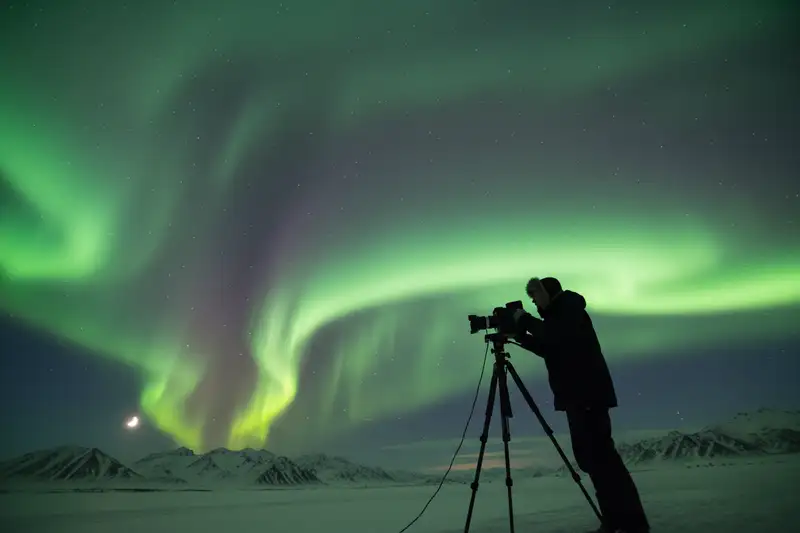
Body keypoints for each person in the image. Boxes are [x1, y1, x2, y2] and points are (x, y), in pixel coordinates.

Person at [510, 277, 650, 533]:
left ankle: (633, 524)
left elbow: (554, 335)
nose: (533, 302)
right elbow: (549, 347)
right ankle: (614, 521)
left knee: (605, 463)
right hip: (578, 398)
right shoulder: (557, 318)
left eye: (535, 296)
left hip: (587, 397)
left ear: (547, 292)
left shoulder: (568, 309)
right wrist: (520, 336)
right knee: (593, 463)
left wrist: (525, 320)